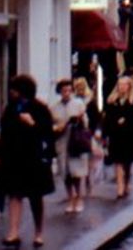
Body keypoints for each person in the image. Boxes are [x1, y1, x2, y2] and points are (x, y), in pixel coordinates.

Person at [0, 74, 55, 247]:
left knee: (36, 197)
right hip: (14, 158)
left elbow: (47, 133)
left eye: (14, 89)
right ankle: (13, 231)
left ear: (22, 91)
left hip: (33, 158)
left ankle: (38, 233)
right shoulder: (10, 109)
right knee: (14, 194)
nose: (11, 92)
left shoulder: (40, 108)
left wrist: (32, 124)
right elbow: (3, 134)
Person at [103, 75, 133, 198]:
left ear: (129, 86)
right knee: (118, 162)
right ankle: (120, 188)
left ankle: (126, 183)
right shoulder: (111, 101)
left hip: (129, 136)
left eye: (124, 84)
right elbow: (107, 118)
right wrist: (106, 133)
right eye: (120, 84)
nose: (122, 87)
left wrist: (126, 121)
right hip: (116, 136)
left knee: (127, 163)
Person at [51, 79, 89, 213]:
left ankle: (79, 198)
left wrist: (78, 120)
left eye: (68, 90)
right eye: (63, 91)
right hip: (62, 142)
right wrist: (56, 128)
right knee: (65, 173)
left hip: (75, 141)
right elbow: (51, 124)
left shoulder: (78, 104)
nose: (66, 93)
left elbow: (85, 123)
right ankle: (70, 198)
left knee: (76, 172)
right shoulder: (55, 107)